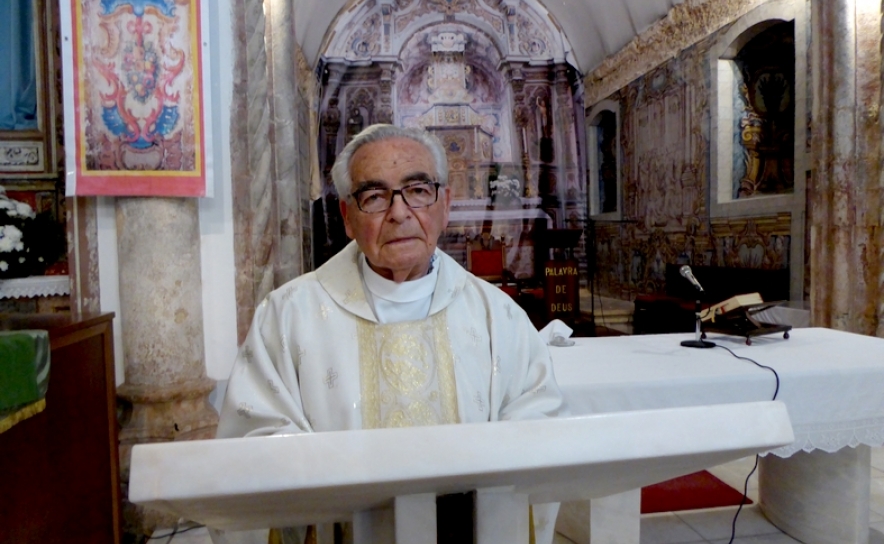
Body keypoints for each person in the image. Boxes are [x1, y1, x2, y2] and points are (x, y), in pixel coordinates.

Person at [216, 124, 566, 542]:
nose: (399, 213)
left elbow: (539, 421)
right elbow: (253, 439)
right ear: (347, 217)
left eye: (418, 190)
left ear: (445, 204)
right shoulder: (288, 316)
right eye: (375, 196)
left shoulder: (497, 316)